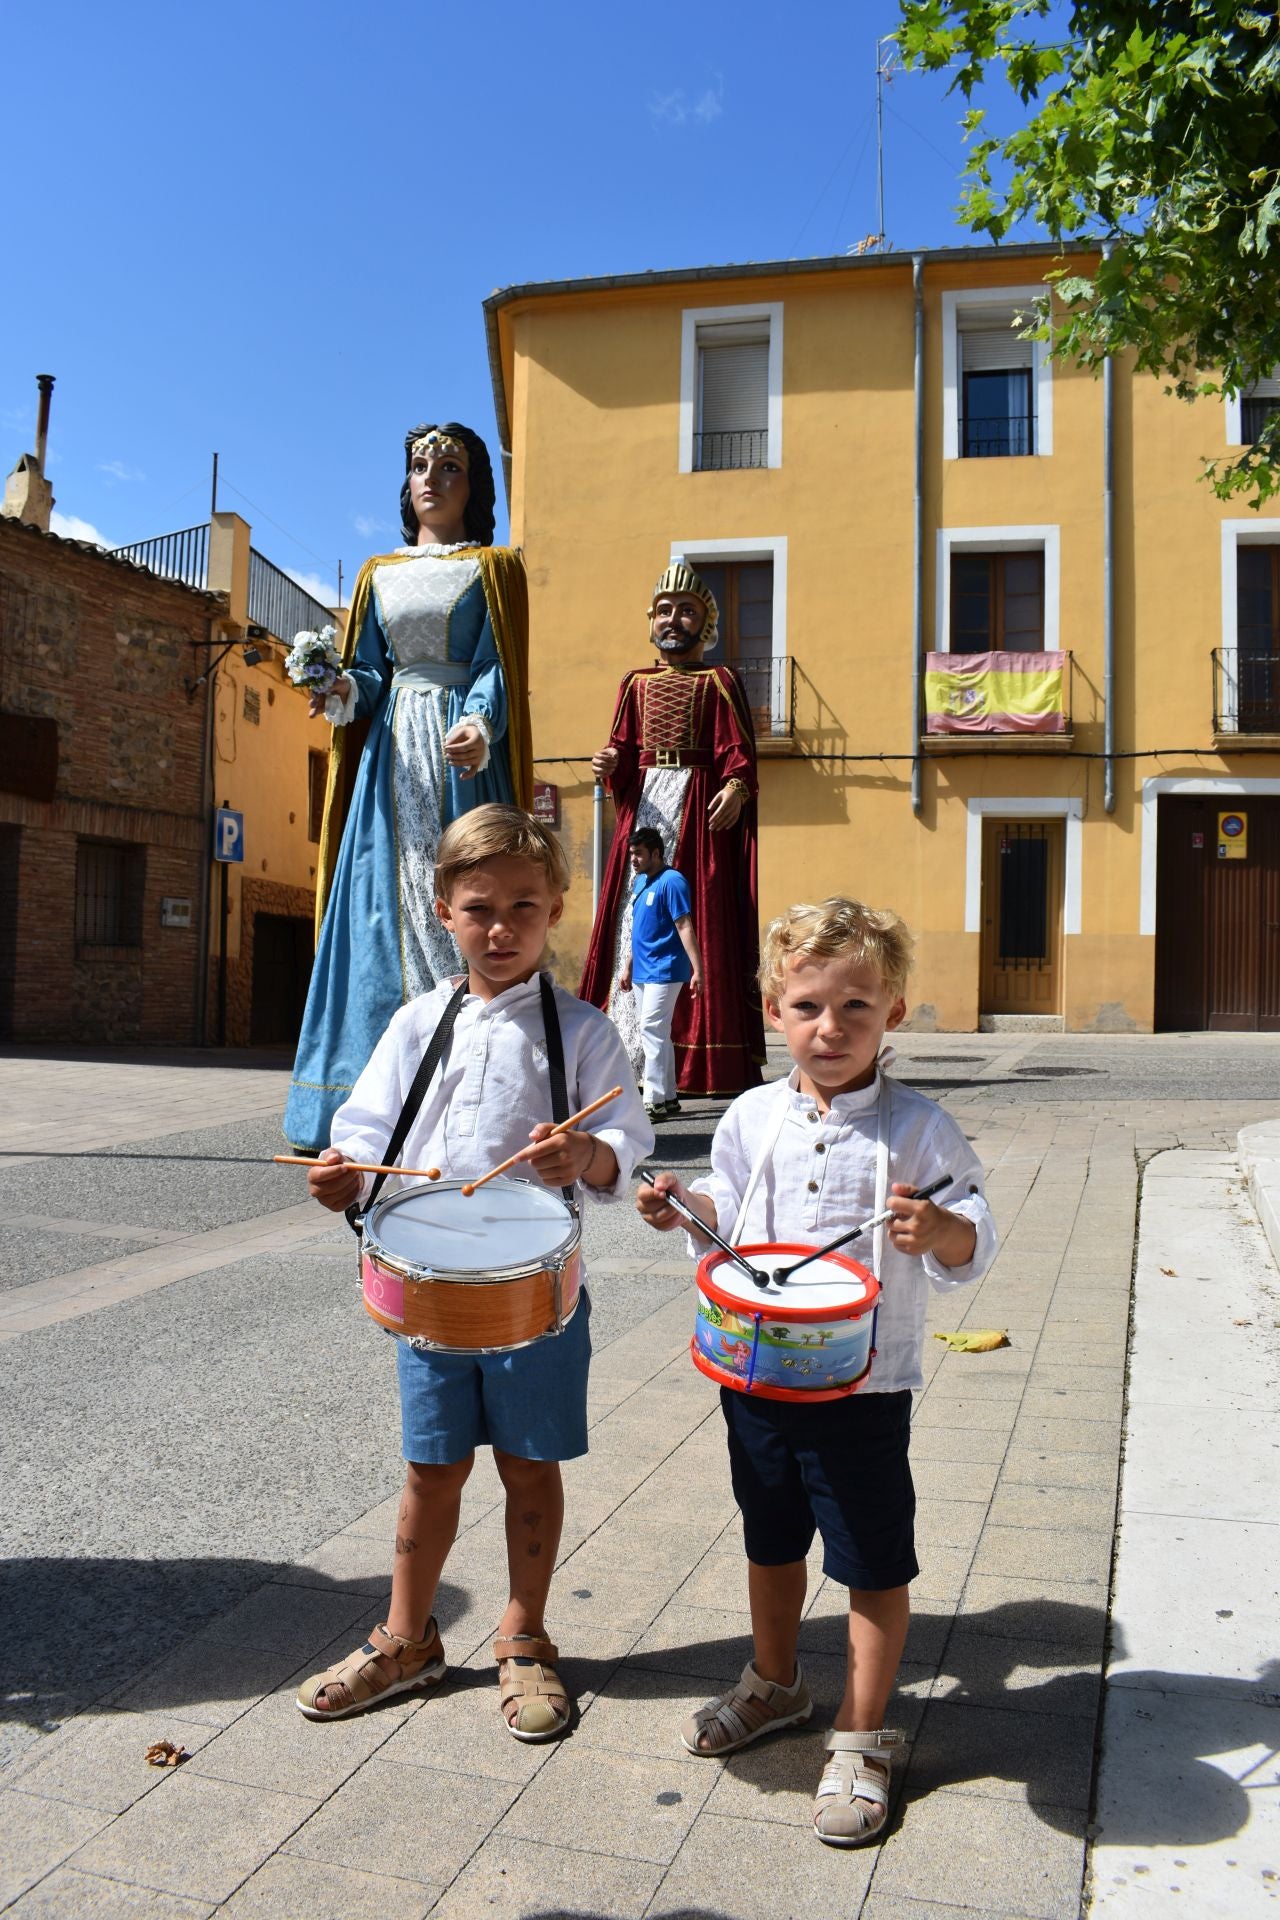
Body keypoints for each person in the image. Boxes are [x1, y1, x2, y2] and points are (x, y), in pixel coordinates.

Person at [637, 898, 996, 1846]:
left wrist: (944, 1230)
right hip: (755, 1376)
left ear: (894, 1013)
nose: (830, 1028)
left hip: (863, 1390)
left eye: (856, 1008)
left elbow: (974, 1234)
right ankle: (776, 1681)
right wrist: (685, 1207)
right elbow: (728, 1210)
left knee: (872, 1560)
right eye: (807, 1007)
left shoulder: (919, 1129)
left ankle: (863, 1730)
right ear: (773, 1010)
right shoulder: (752, 1116)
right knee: (770, 1538)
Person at [297, 804, 652, 1736]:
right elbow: (366, 1133)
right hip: (431, 1295)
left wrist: (587, 1156)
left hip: (540, 1297)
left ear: (556, 910)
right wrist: (344, 1175)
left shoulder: (583, 1032)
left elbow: (626, 1142)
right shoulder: (418, 1023)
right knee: (431, 1468)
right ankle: (406, 1638)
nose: (501, 928)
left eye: (524, 907)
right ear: (444, 912)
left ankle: (524, 1636)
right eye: (480, 908)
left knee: (530, 1469)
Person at [283, 423, 531, 1152]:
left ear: (473, 485)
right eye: (421, 465)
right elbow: (370, 669)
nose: (432, 477)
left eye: (449, 466)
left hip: (458, 754)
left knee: (466, 887)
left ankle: (473, 1092)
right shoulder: (377, 574)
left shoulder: (494, 568)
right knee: (379, 905)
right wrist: (340, 689)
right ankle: (363, 1098)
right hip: (391, 755)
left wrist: (481, 724)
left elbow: (496, 666)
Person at [579, 560, 764, 1097]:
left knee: (695, 918)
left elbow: (737, 751)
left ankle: (696, 1061)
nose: (673, 619)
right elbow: (622, 747)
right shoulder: (633, 683)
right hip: (644, 810)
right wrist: (609, 763)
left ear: (705, 623)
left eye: (686, 610)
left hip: (698, 809)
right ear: (651, 620)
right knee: (630, 920)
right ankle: (623, 1052)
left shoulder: (719, 681)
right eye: (664, 610)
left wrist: (736, 788)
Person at [619, 827, 703, 1120]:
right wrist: (628, 965)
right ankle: (668, 1096)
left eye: (638, 853)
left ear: (656, 853)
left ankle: (653, 1100)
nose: (633, 859)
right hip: (642, 971)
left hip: (666, 969)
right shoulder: (642, 881)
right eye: (631, 853)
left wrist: (697, 969)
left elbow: (684, 925)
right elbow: (640, 930)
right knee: (658, 1033)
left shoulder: (673, 881)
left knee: (651, 1029)